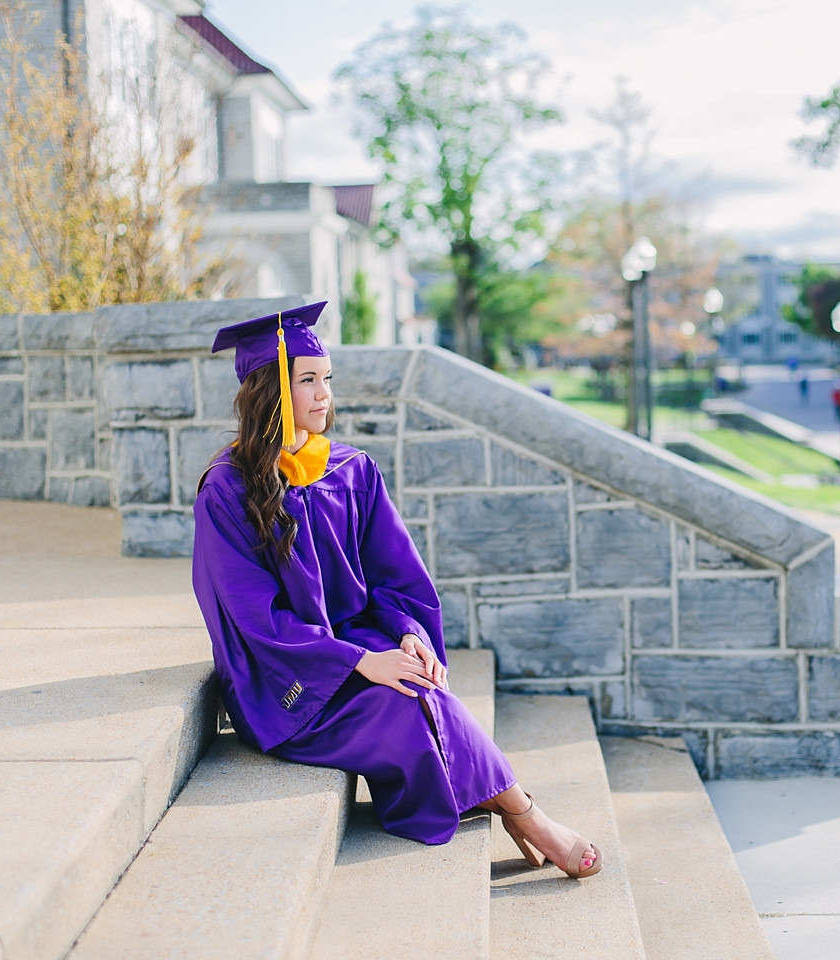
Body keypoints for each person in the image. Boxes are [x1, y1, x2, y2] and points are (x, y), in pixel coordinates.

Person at [191, 304, 601, 879]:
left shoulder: (351, 471)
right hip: (287, 677)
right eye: (306, 379)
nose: (323, 394)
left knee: (418, 682)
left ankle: (510, 805)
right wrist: (360, 661)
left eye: (327, 378)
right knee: (407, 706)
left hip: (362, 645)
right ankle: (525, 813)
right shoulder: (227, 491)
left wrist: (408, 636)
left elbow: (395, 578)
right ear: (269, 390)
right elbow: (255, 618)